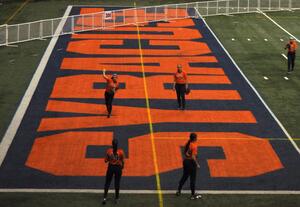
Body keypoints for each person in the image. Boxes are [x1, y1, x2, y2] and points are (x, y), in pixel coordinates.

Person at [176, 133, 201, 200]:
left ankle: (178, 190)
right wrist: (197, 164)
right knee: (192, 179)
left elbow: (185, 152)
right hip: (191, 163)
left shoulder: (188, 143)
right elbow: (193, 157)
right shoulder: (194, 146)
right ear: (194, 138)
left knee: (184, 176)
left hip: (185, 162)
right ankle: (192, 195)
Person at [102, 139, 125, 205]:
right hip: (118, 168)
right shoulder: (121, 152)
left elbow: (105, 161)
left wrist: (110, 159)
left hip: (111, 168)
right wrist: (122, 167)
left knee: (107, 182)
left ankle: (104, 198)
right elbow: (122, 161)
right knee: (117, 183)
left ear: (112, 144)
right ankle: (116, 198)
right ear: (117, 145)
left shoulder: (109, 151)